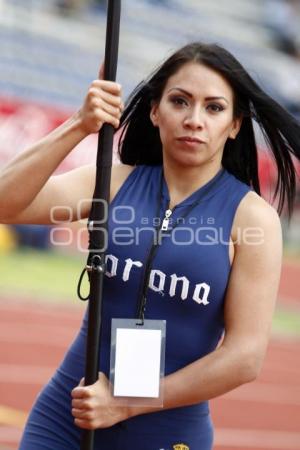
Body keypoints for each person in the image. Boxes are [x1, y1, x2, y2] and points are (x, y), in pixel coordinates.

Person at [1, 42, 300, 450]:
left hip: (166, 434)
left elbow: (244, 357)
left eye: (214, 108)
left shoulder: (252, 220)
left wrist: (123, 404)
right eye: (180, 101)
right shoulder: (111, 182)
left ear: (234, 124)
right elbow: (6, 204)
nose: (195, 120)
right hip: (66, 418)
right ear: (155, 111)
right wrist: (78, 124)